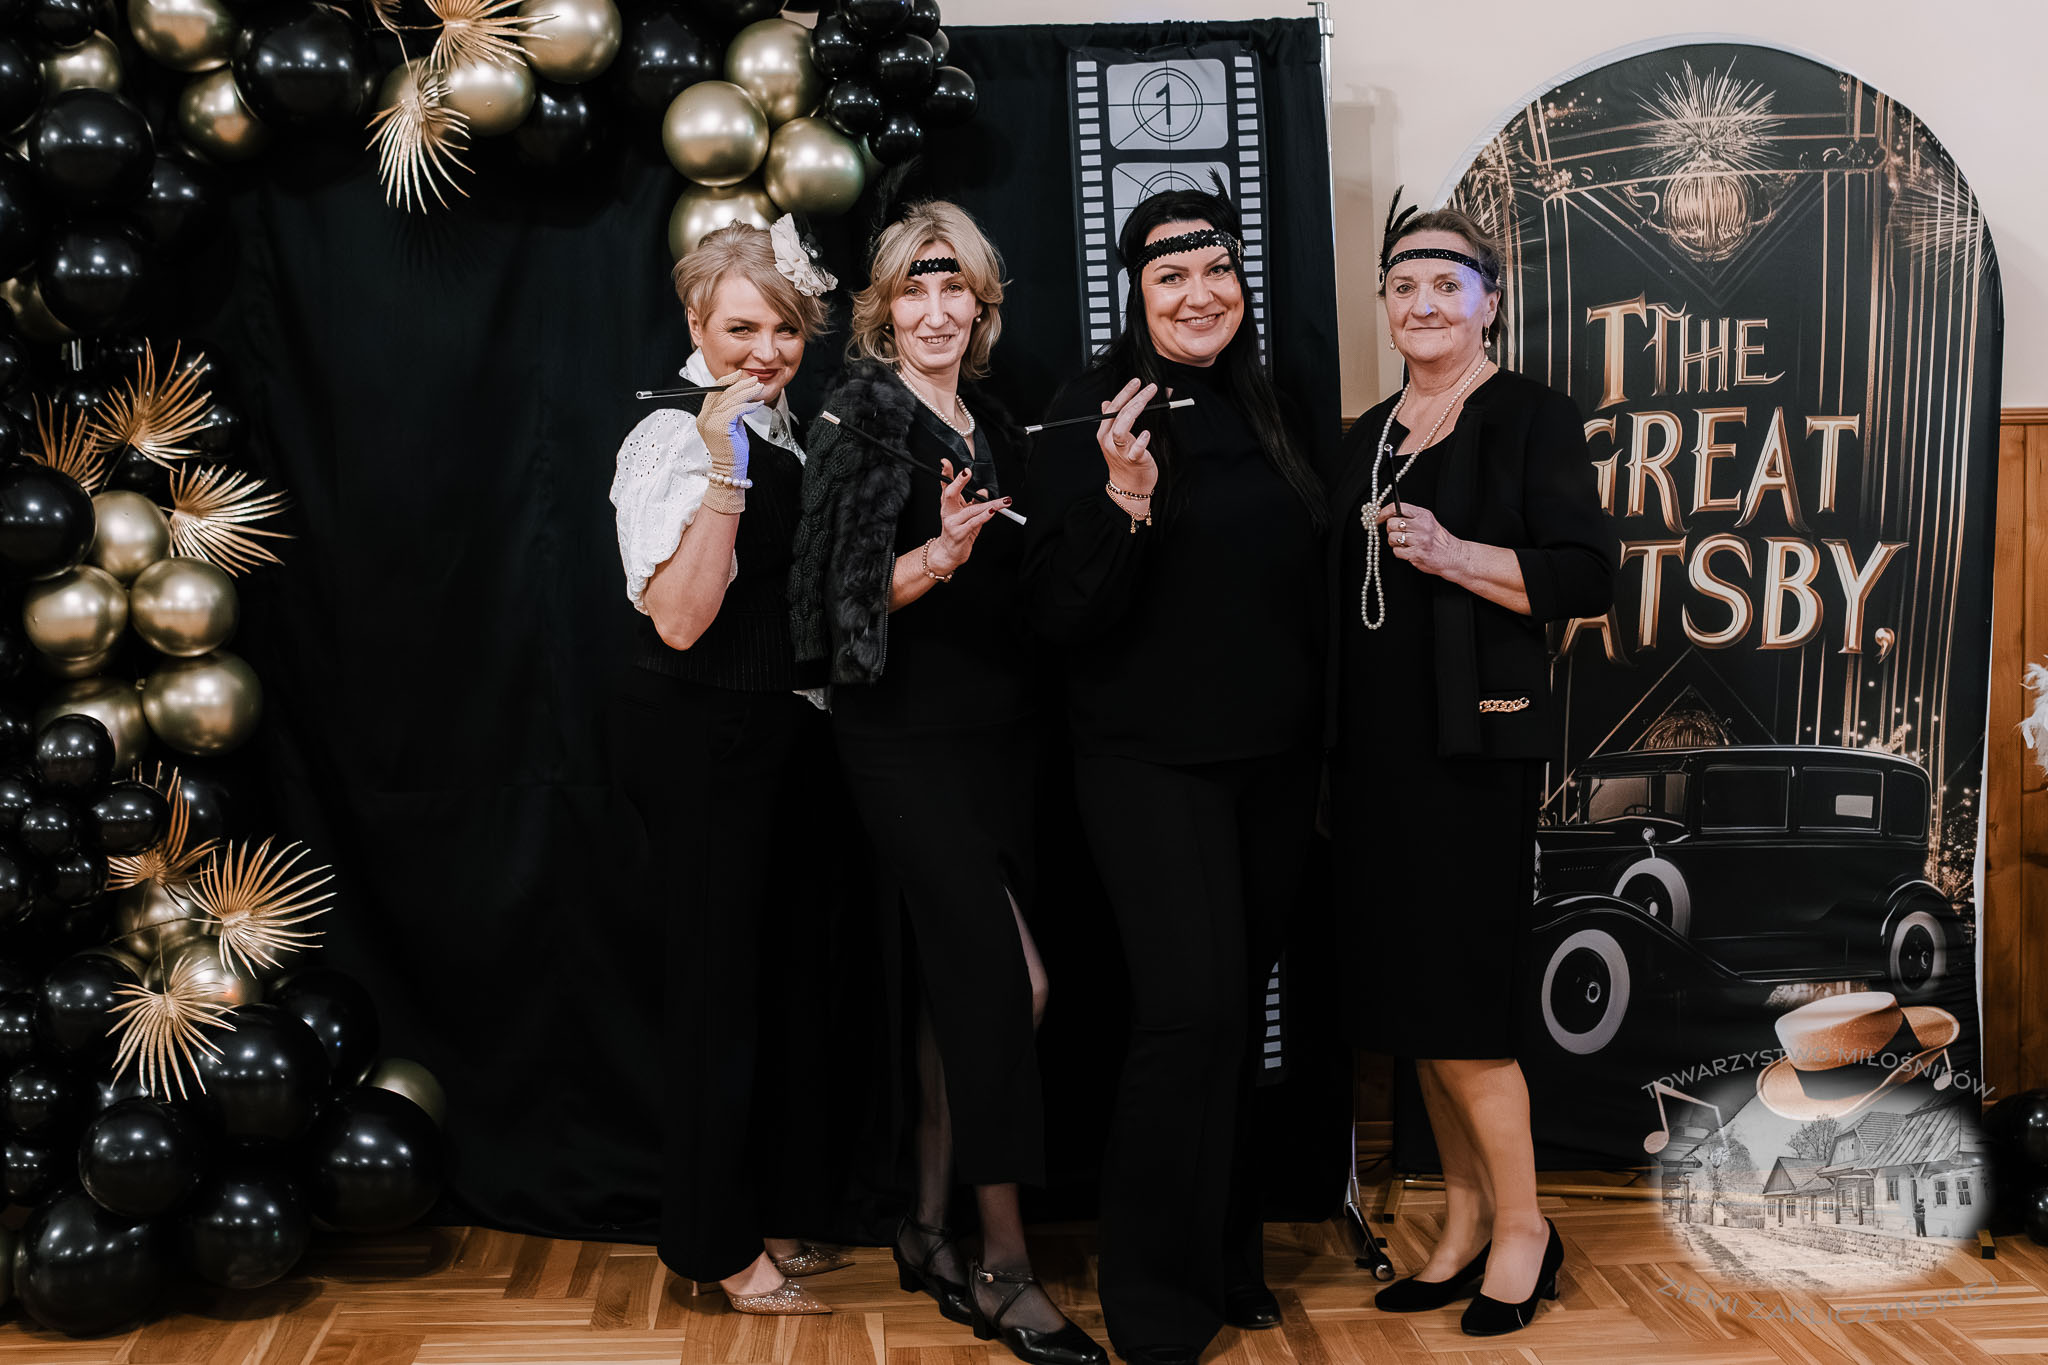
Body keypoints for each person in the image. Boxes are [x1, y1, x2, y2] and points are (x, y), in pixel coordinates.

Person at [789, 201, 1106, 1365]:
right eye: (912, 292)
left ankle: (924, 1225)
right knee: (1010, 987)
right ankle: (1003, 1268)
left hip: (998, 742)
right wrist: (935, 555)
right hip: (903, 743)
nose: (933, 312)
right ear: (883, 308)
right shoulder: (861, 415)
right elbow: (824, 608)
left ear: (980, 304)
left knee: (960, 990)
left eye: (952, 290)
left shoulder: (993, 419)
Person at [1020, 189, 1327, 1365]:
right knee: (1186, 1013)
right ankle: (1151, 1300)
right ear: (1134, 292)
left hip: (1272, 765)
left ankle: (1224, 1257)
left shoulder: (1276, 404)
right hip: (1147, 763)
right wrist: (1124, 500)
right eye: (1170, 275)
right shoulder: (1089, 413)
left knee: (1234, 1017)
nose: (1199, 294)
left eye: (1215, 269)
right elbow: (1056, 614)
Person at [1328, 205, 1616, 1337]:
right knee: (1412, 1002)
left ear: (1488, 301)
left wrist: (1454, 555)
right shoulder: (1368, 435)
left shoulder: (1530, 417)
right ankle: (1459, 1222)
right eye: (1403, 286)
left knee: (1462, 1008)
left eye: (1446, 284)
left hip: (1474, 752)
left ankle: (1524, 1228)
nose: (1423, 304)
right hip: (1374, 756)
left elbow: (1585, 575)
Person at [609, 218, 847, 1316]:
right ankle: (713, 1246)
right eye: (742, 328)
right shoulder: (671, 436)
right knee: (716, 995)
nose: (767, 350)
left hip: (772, 737)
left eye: (785, 329)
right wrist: (722, 470)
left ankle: (770, 1211)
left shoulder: (779, 421)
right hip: (701, 736)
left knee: (777, 985)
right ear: (696, 323)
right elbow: (680, 618)